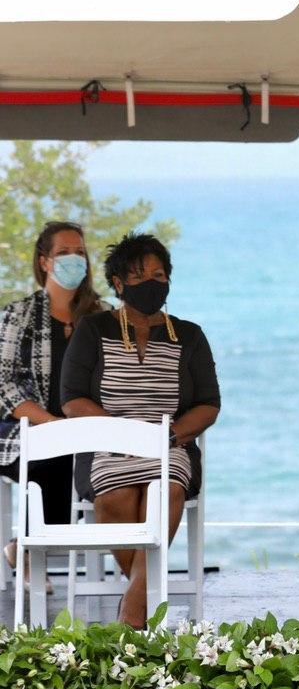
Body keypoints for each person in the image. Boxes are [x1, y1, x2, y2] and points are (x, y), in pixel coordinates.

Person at [61, 233, 219, 628]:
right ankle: (145, 594)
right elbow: (72, 399)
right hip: (106, 442)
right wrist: (119, 435)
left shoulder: (190, 335)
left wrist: (167, 437)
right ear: (118, 284)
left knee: (165, 491)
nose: (151, 283)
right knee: (116, 495)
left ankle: (133, 608)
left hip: (170, 443)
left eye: (159, 275)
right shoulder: (93, 329)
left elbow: (208, 404)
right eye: (139, 276)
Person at [0, 221, 107, 585]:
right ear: (44, 261)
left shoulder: (102, 317)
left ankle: (28, 548)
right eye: (63, 253)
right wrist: (52, 424)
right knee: (51, 454)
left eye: (80, 252)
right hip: (21, 428)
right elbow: (4, 385)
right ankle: (32, 553)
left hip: (85, 432)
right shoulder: (18, 315)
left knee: (84, 458)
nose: (74, 259)